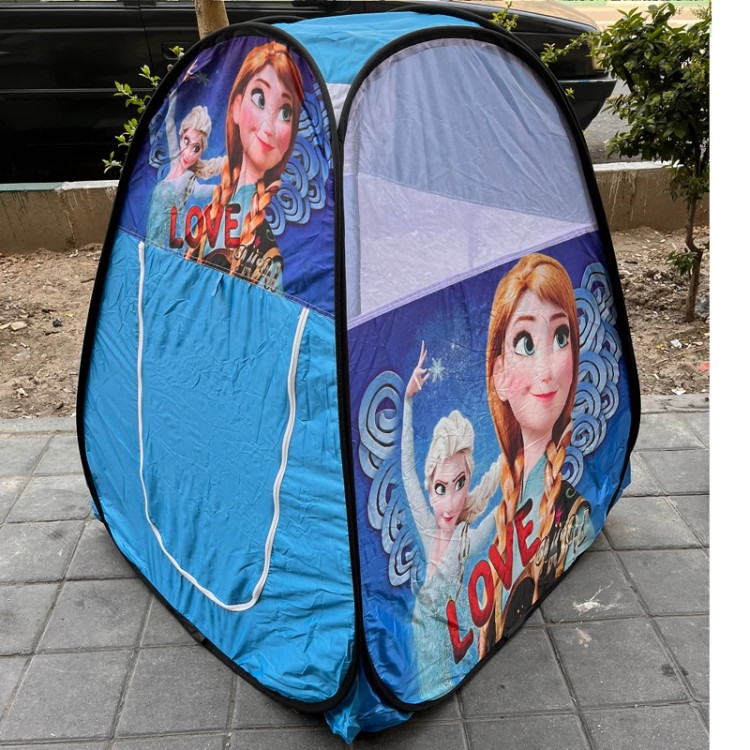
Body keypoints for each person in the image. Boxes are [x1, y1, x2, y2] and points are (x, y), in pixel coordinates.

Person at [480, 253, 593, 654]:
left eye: (561, 338)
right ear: (498, 374)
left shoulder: (574, 514)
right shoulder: (487, 502)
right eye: (526, 343)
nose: (546, 370)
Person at [401, 342, 499, 698]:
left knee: (432, 685)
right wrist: (407, 401)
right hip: (420, 636)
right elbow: (408, 473)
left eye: (460, 484)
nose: (451, 502)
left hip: (441, 642)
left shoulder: (464, 540)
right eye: (441, 488)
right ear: (429, 488)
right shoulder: (428, 528)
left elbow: (498, 511)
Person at [188, 42, 304, 292]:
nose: (269, 127)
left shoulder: (270, 249)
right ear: (236, 107)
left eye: (285, 112)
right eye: (260, 98)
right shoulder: (211, 209)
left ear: (291, 135)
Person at [145, 104, 222, 249]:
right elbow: (169, 123)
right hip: (150, 237)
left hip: (163, 244)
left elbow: (200, 191)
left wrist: (222, 188)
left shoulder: (188, 177)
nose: (188, 153)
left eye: (196, 148)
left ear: (201, 153)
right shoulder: (172, 163)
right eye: (187, 141)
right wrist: (175, 92)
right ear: (181, 138)